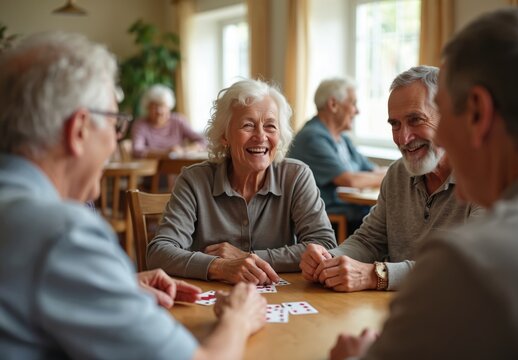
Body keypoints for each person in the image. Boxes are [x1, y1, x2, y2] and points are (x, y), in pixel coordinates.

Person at [0, 31, 267, 359]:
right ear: (79, 130)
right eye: (114, 125)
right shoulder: (64, 232)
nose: (115, 143)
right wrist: (239, 318)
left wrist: (115, 285)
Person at [330, 7, 518, 359]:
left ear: (478, 113)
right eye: (394, 125)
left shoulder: (469, 261)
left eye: (448, 113)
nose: (405, 139)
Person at [300, 65, 483, 292]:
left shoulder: (485, 177)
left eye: (415, 120)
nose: (403, 138)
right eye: (395, 124)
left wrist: (376, 275)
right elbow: (369, 240)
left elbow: (467, 266)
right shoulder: (397, 173)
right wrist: (329, 260)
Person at [147, 79, 337, 284]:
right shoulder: (194, 180)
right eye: (248, 125)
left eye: (270, 126)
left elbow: (324, 246)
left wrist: (246, 258)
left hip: (282, 301)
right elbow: (159, 252)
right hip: (209, 302)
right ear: (224, 135)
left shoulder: (296, 176)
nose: (261, 136)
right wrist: (220, 267)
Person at [288, 78, 386, 233]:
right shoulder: (312, 137)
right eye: (353, 103)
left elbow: (372, 171)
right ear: (333, 105)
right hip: (328, 223)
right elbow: (350, 180)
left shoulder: (343, 140)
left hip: (352, 214)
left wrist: (393, 173)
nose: (357, 111)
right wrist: (394, 175)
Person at [131, 84, 206, 158]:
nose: (159, 111)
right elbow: (137, 150)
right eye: (154, 106)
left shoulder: (178, 121)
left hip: (178, 166)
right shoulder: (140, 124)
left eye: (162, 106)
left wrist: (183, 150)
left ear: (169, 107)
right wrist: (165, 153)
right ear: (147, 108)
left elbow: (203, 141)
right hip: (151, 168)